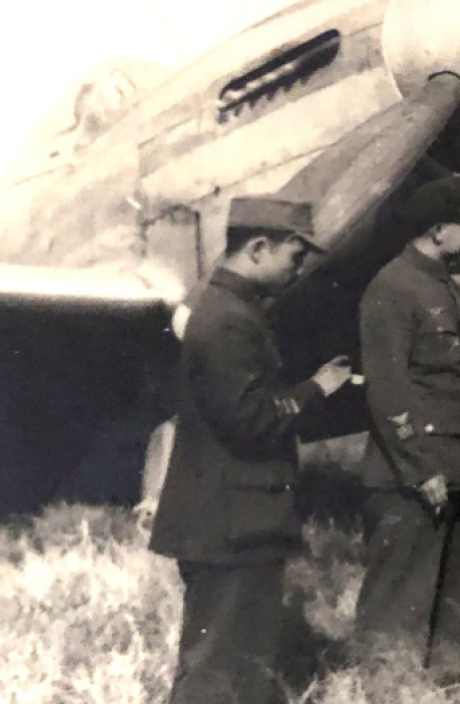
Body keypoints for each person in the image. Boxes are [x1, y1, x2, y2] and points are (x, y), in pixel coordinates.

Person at [150, 197, 357, 704]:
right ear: (259, 248)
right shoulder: (227, 321)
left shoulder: (232, 312)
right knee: (213, 672)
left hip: (236, 519)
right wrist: (317, 389)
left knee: (242, 667)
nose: (298, 269)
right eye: (295, 255)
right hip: (229, 524)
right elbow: (252, 421)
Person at [354, 175, 460, 686]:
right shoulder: (392, 288)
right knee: (397, 597)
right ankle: (385, 691)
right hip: (413, 473)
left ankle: (442, 684)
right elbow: (387, 389)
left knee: (449, 594)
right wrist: (419, 469)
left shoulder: (439, 283)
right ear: (438, 229)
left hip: (457, 465)